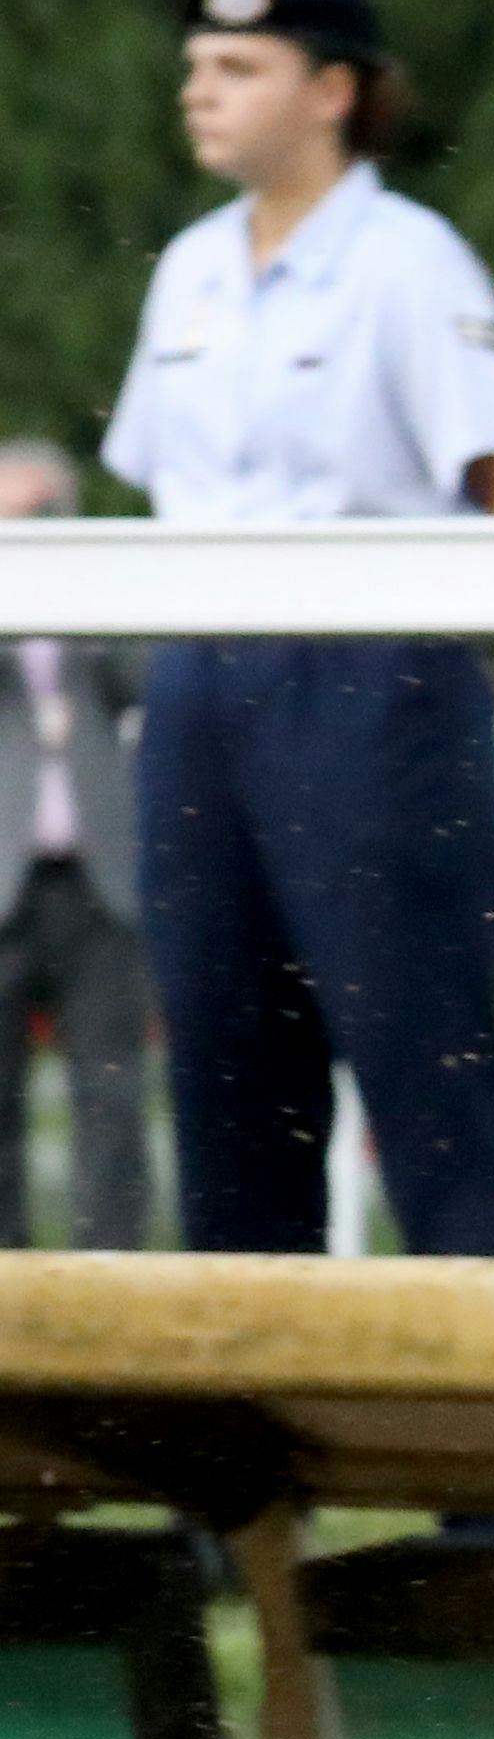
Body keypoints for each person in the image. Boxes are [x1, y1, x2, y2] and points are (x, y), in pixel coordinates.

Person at [103, 0, 494, 1259]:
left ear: (332, 91)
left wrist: (453, 654)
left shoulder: (410, 263)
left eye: (238, 67)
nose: (200, 90)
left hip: (370, 684)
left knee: (428, 1082)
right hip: (202, 683)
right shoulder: (189, 272)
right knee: (223, 1078)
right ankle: (251, 1451)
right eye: (196, 65)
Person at [0, 444, 150, 1250]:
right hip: (6, 876)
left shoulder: (96, 619)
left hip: (97, 881)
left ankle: (112, 1275)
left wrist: (83, 588)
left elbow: (147, 676)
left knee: (113, 1093)